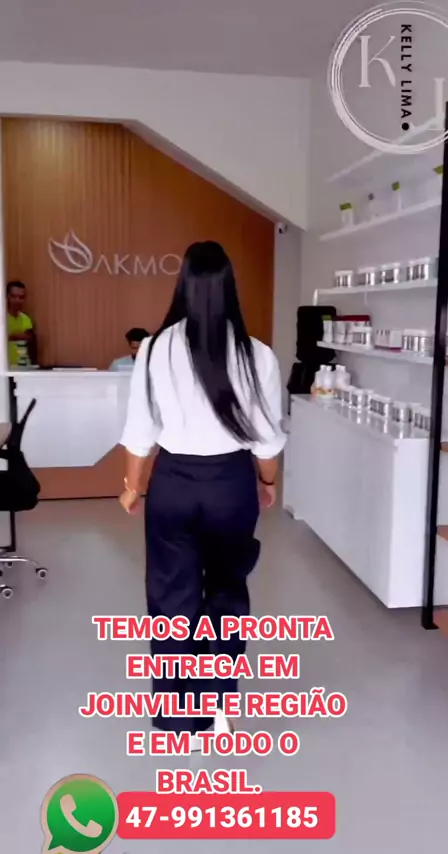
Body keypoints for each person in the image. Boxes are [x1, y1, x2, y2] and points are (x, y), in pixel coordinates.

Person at [119, 241, 286, 748]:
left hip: (173, 484)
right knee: (226, 595)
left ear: (184, 286)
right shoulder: (258, 354)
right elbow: (267, 440)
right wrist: (267, 483)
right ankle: (216, 712)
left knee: (172, 600)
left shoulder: (154, 349)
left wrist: (133, 488)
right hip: (231, 485)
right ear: (229, 287)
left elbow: (140, 431)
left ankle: (178, 722)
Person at [6, 281, 37, 367]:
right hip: (5, 368)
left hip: (23, 367)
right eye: (13, 296)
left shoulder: (26, 319)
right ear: (6, 297)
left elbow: (30, 340)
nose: (17, 300)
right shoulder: (2, 319)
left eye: (21, 297)